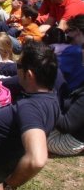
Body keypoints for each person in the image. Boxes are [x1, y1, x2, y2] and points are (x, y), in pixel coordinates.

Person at [0, 41, 60, 189]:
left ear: (29, 74)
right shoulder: (51, 97)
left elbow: (37, 159)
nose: (16, 69)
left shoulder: (29, 108)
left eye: (18, 66)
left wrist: (7, 186)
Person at [47, 15, 84, 156]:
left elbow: (66, 125)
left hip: (67, 141)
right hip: (72, 129)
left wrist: (47, 99)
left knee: (29, 129)